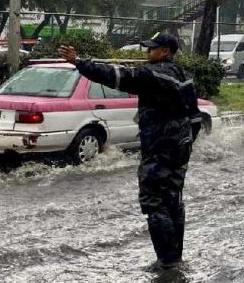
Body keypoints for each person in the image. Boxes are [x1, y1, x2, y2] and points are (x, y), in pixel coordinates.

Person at [58, 33, 202, 270]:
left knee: (154, 203)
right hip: (179, 147)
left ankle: (167, 263)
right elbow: (195, 117)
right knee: (173, 200)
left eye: (151, 49)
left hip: (159, 148)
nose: (147, 53)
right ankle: (175, 258)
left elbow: (115, 76)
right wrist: (185, 142)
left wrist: (79, 62)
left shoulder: (151, 75)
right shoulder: (184, 76)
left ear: (165, 51)